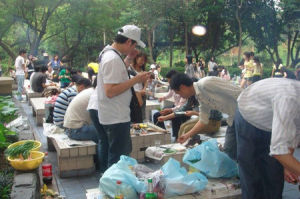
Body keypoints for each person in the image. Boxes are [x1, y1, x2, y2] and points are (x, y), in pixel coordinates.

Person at [235, 78, 300, 199]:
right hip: (249, 115)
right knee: (252, 175)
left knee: (274, 174)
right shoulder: (288, 99)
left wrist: (288, 165)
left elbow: (294, 133)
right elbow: (278, 152)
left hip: (271, 117)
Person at [97, 24, 150, 167]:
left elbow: (116, 76)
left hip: (113, 115)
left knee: (116, 153)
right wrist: (136, 79)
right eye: (134, 45)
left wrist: (127, 60)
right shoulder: (112, 59)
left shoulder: (110, 54)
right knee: (118, 157)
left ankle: (112, 183)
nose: (135, 49)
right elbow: (110, 91)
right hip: (116, 117)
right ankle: (115, 186)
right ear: (128, 42)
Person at [171, 73, 242, 160]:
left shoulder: (206, 83)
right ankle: (234, 171)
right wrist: (187, 135)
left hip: (244, 115)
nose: (179, 96)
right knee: (228, 151)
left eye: (178, 93)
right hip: (233, 118)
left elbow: (239, 92)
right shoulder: (200, 96)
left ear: (182, 87)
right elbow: (203, 120)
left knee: (246, 150)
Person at [129, 52, 148, 120]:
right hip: (134, 94)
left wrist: (144, 89)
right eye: (141, 60)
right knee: (135, 114)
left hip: (142, 94)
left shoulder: (142, 70)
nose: (142, 62)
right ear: (136, 58)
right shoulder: (130, 69)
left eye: (144, 61)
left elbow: (146, 80)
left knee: (141, 115)